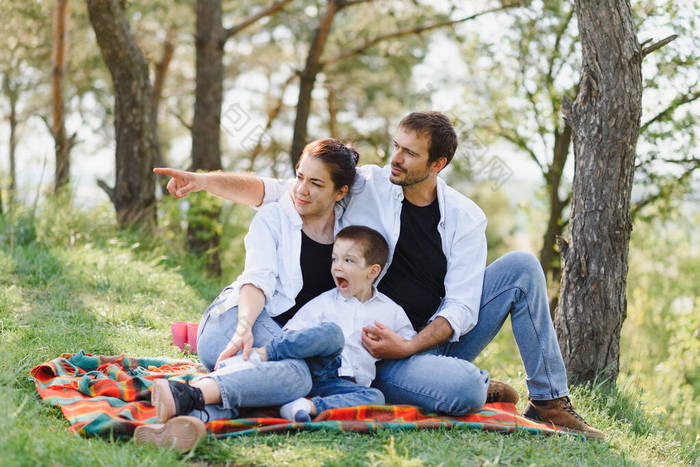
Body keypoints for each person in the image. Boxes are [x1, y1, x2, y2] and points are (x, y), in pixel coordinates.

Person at [154, 111, 604, 440]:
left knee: (522, 268)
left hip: (419, 341)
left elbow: (463, 306)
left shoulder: (466, 219)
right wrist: (202, 180)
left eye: (409, 153)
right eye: (395, 146)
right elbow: (274, 192)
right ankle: (198, 403)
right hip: (361, 340)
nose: (395, 158)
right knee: (304, 371)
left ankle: (548, 401)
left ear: (437, 165)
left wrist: (410, 344)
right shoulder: (366, 184)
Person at [135, 138, 361, 450]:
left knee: (283, 381)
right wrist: (244, 327)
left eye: (316, 184)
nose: (302, 190)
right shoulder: (273, 218)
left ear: (340, 192)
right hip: (233, 321)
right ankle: (190, 392)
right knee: (298, 376)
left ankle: (194, 417)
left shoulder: (349, 234)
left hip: (281, 343)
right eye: (299, 177)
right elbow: (257, 280)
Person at [264, 225, 416, 421]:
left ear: (372, 271)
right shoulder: (324, 303)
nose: (337, 266)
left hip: (348, 386)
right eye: (334, 258)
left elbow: (407, 340)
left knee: (375, 397)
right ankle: (264, 362)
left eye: (348, 260)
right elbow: (292, 333)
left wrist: (395, 342)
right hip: (317, 369)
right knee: (330, 334)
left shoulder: (391, 310)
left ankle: (306, 406)